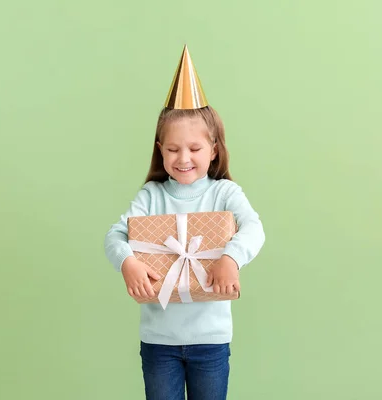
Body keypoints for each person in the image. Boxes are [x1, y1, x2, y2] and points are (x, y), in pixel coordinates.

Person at [103, 45, 266, 400]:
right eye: (173, 149)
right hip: (159, 341)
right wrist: (127, 262)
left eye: (194, 148)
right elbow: (116, 235)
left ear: (214, 149)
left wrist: (231, 257)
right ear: (160, 149)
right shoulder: (151, 195)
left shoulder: (225, 193)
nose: (184, 158)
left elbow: (254, 228)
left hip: (211, 339)